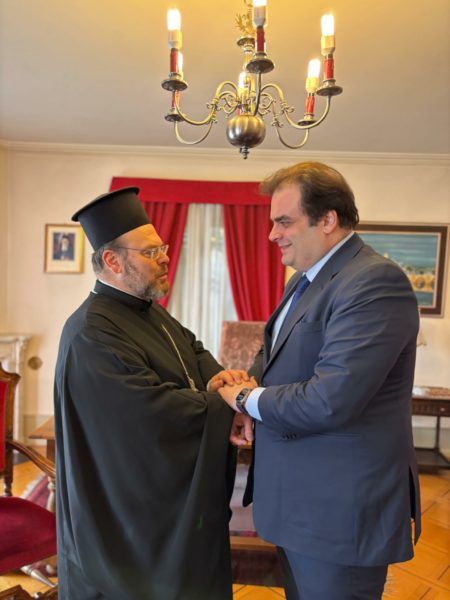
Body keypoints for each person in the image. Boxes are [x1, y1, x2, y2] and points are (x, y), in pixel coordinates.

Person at [218, 162, 421, 600]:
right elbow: (273, 353)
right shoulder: (304, 280)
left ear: (327, 220)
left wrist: (247, 398)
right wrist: (249, 386)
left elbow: (331, 399)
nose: (272, 234)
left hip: (339, 514)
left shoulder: (374, 281)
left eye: (283, 222)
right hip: (298, 504)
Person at [54, 186, 246, 600]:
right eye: (151, 252)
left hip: (161, 507)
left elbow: (194, 352)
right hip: (127, 517)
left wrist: (221, 380)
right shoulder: (92, 330)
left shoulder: (149, 312)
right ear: (112, 261)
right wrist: (225, 406)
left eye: (163, 248)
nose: (164, 258)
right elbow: (146, 409)